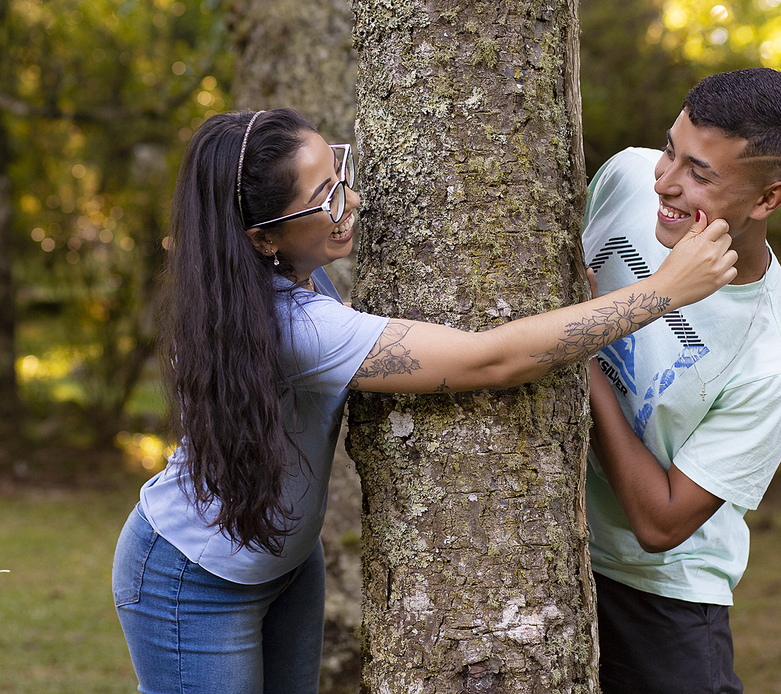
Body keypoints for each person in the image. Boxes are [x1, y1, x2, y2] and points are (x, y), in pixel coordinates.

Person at [112, 107, 737, 694]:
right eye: (326, 199)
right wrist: (664, 291)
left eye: (340, 172)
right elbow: (487, 360)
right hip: (193, 579)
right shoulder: (294, 327)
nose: (353, 200)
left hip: (286, 560)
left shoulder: (266, 278)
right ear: (261, 239)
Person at [581, 68, 781, 693]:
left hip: (660, 598)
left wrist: (578, 345)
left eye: (700, 174)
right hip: (543, 539)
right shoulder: (625, 178)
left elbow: (661, 525)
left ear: (768, 199)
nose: (664, 181)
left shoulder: (773, 357)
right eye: (670, 149)